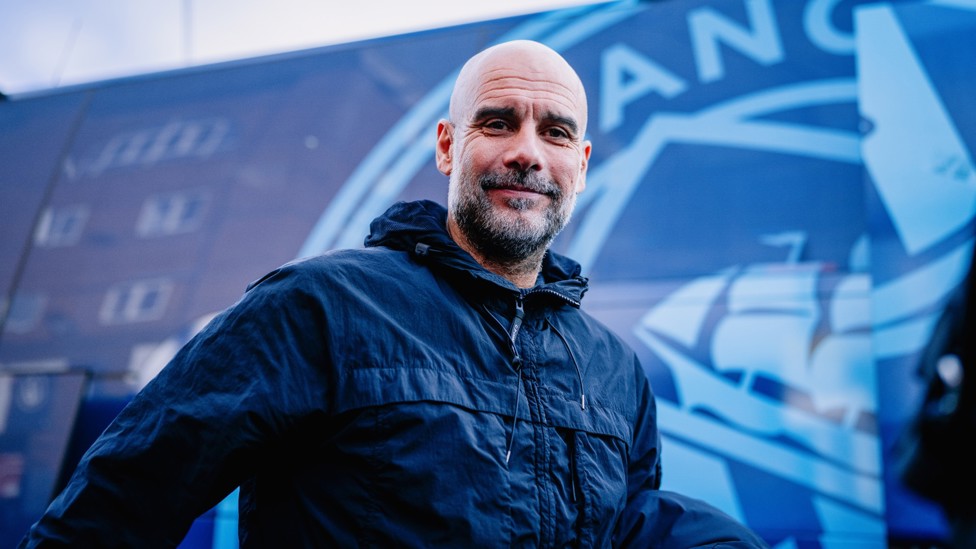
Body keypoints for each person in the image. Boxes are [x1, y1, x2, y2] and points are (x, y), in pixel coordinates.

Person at [21, 40, 767, 548]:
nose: (526, 152)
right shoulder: (319, 308)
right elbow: (121, 499)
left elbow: (627, 525)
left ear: (582, 162)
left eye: (556, 132)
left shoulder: (613, 369)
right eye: (498, 122)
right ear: (447, 145)